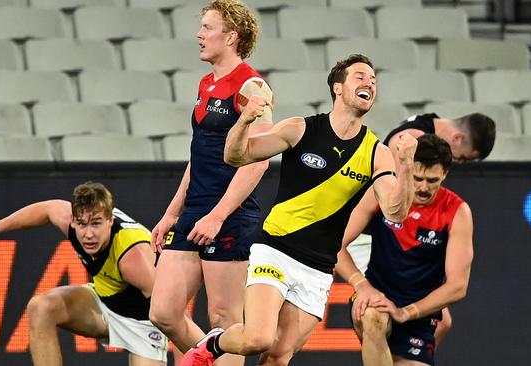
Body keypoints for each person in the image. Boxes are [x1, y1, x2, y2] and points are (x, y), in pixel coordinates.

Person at [180, 53, 418, 366]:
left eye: (373, 80)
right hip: (276, 249)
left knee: (279, 356)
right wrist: (245, 120)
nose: (369, 84)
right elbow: (235, 156)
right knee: (258, 339)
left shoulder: (378, 153)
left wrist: (407, 167)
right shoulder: (300, 129)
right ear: (338, 87)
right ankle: (214, 344)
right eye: (360, 77)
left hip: (318, 267)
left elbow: (395, 212)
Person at [147, 1, 273, 365]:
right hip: (194, 212)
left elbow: (258, 163)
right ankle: (209, 359)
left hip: (230, 216)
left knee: (224, 319)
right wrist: (172, 213)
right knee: (164, 312)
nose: (199, 35)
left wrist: (217, 216)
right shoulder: (206, 83)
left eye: (207, 27)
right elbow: (198, 153)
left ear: (231, 36)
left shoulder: (252, 85)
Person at [0, 182, 168, 366]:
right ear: (74, 220)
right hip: (105, 303)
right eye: (82, 224)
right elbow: (47, 208)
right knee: (41, 307)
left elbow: (171, 315)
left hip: (144, 324)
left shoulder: (134, 258)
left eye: (96, 223)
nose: (88, 234)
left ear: (110, 221)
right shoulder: (71, 220)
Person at [350, 111, 494, 344]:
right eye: (465, 158)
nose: (461, 163)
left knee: (441, 321)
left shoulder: (428, 124)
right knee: (377, 317)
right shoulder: (410, 142)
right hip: (374, 237)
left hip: (392, 232)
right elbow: (398, 203)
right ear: (456, 139)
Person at [336, 134, 474, 366]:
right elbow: (335, 245)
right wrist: (362, 286)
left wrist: (407, 312)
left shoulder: (457, 211)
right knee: (373, 318)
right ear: (405, 169)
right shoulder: (383, 192)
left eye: (432, 180)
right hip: (377, 299)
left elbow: (457, 286)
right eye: (417, 178)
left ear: (445, 175)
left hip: (419, 315)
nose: (423, 188)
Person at [384, 112, 496, 163]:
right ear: (457, 138)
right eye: (462, 157)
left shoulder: (427, 120)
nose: (461, 163)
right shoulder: (416, 140)